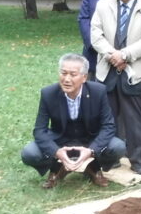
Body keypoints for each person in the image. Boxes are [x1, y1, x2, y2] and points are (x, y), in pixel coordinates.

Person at [90, 0, 141, 175]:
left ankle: (138, 160)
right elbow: (96, 35)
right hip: (107, 68)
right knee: (108, 117)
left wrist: (125, 55)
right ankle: (110, 157)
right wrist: (112, 55)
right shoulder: (103, 5)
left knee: (135, 118)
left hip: (134, 71)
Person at [20, 53, 127, 189]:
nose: (67, 79)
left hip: (89, 139)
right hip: (60, 140)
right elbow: (39, 130)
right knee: (29, 153)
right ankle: (56, 168)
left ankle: (93, 167)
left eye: (73, 74)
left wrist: (91, 150)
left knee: (118, 147)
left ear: (84, 77)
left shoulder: (98, 92)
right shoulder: (48, 94)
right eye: (63, 73)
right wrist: (56, 151)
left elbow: (109, 126)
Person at [78, 0, 127, 78]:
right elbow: (84, 19)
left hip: (123, 56)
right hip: (94, 54)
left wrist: (120, 53)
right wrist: (95, 44)